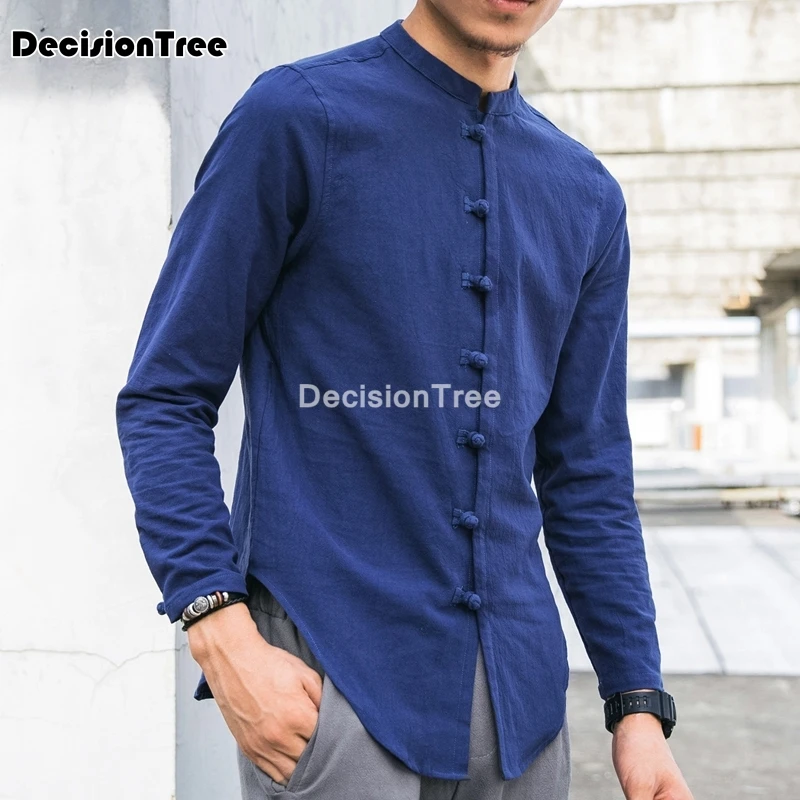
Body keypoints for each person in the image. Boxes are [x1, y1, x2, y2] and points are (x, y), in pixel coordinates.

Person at [116, 2, 695, 798]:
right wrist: (217, 627)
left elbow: (587, 471)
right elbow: (164, 394)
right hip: (332, 692)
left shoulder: (586, 194)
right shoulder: (296, 118)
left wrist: (637, 704)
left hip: (525, 724)